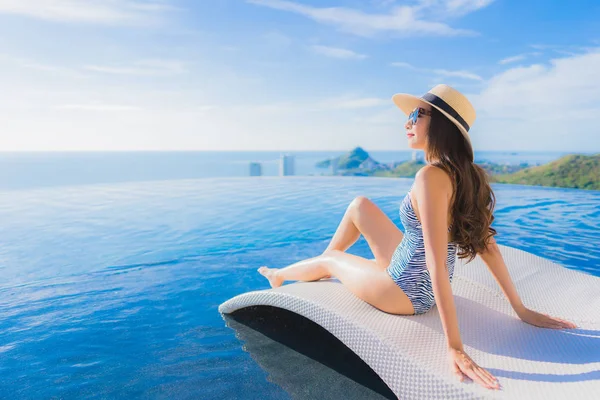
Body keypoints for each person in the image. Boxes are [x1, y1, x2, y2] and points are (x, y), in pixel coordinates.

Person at [257, 84, 577, 391]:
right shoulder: (465, 174)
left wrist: (455, 346)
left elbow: (437, 261)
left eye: (417, 115)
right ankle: (325, 273)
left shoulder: (430, 176)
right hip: (411, 275)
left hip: (405, 293)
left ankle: (283, 275)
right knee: (360, 206)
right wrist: (519, 308)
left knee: (333, 258)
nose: (407, 122)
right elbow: (486, 244)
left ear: (439, 126)